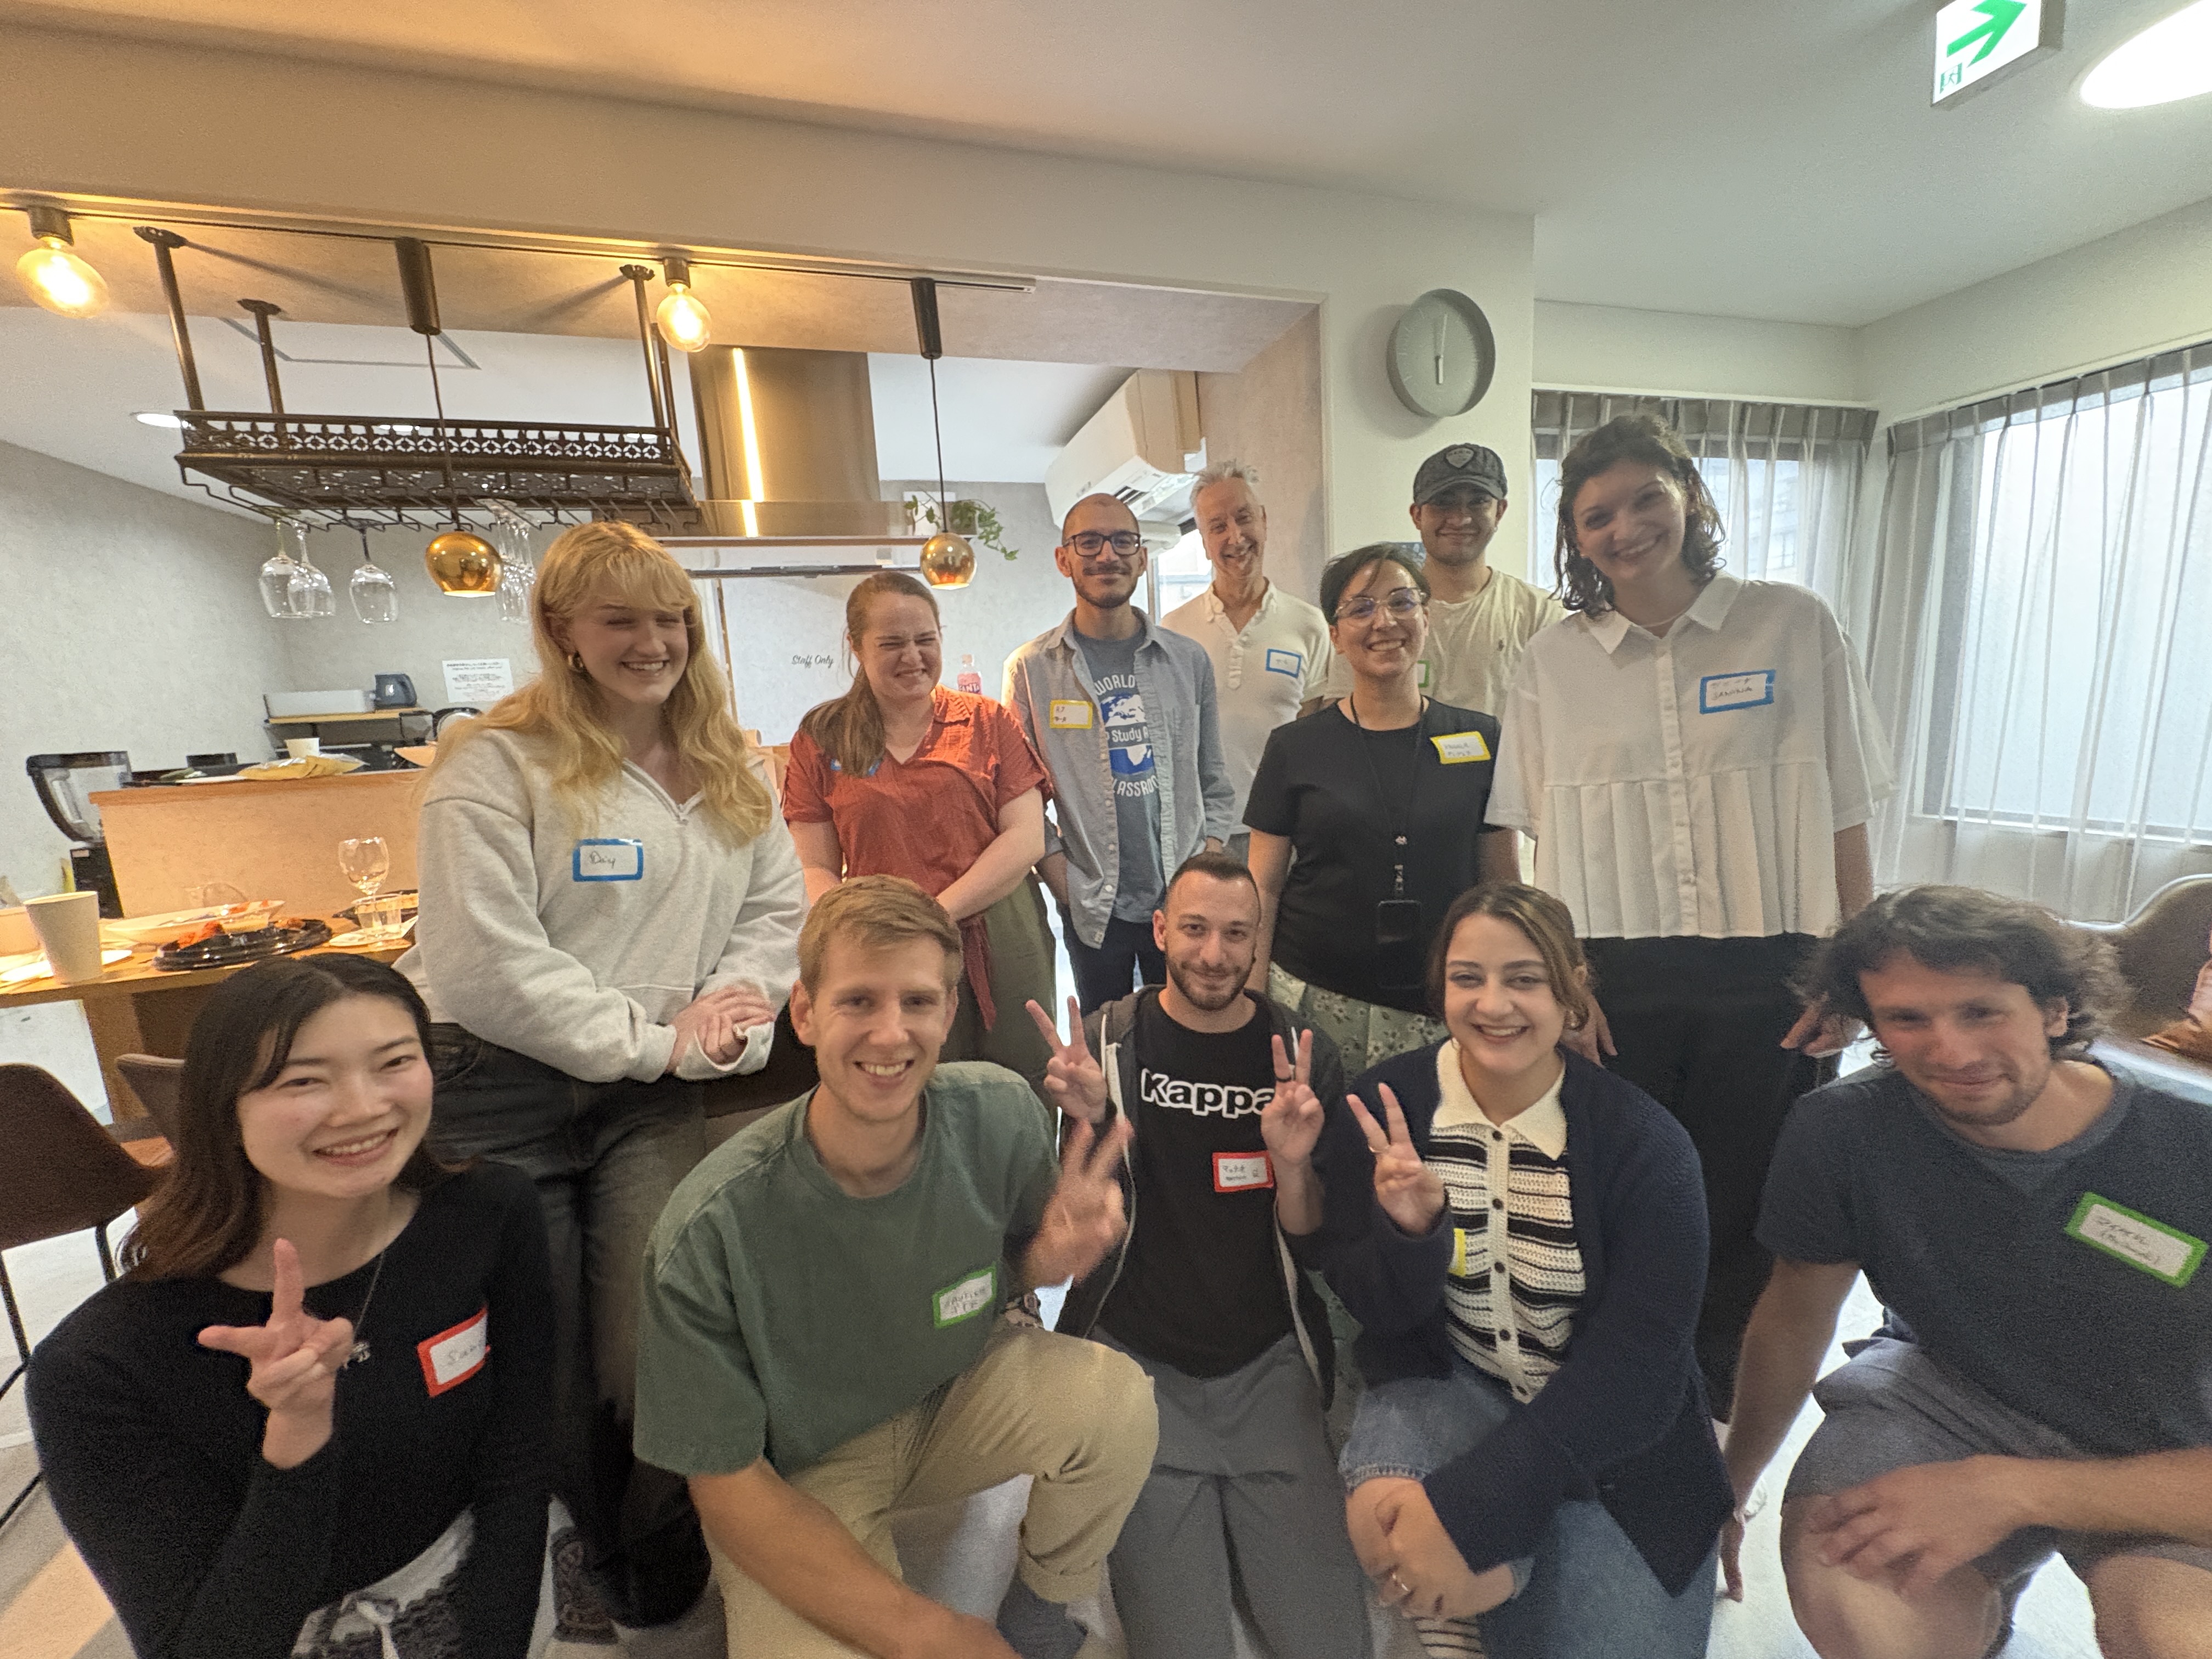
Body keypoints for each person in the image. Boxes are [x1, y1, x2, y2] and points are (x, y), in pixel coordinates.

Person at [401, 519, 805, 1629]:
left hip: (651, 1095)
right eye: (619, 618)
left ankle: (649, 1567)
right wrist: (659, 1040)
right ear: (563, 631)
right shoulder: (494, 761)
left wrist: (731, 1016)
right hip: (498, 1083)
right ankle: (603, 1564)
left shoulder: (732, 765)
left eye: (669, 617)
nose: (652, 641)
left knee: (652, 1338)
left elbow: (774, 916)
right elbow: (482, 962)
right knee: (548, 1359)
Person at [631, 876, 1159, 1659]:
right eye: (858, 1001)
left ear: (949, 1013)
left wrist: (1047, 1258)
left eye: (917, 1001)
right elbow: (728, 1485)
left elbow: (1006, 1271)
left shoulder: (999, 1114)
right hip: (808, 1469)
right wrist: (932, 1630)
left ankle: (1046, 1602)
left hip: (953, 1393)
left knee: (1118, 1403)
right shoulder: (708, 1231)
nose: (890, 1034)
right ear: (804, 1013)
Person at [1486, 410, 1893, 1408]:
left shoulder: (1792, 624)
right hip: (1613, 977)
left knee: (1751, 1206)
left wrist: (1855, 972)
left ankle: (1712, 1419)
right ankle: (1619, 1396)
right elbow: (1513, 838)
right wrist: (1556, 982)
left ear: (1690, 497)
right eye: (1596, 516)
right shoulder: (1553, 662)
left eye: (1645, 500)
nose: (1624, 529)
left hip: (1776, 969)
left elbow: (1844, 807)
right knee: (1619, 1195)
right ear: (1574, 538)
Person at [1723, 885, 2212, 1659]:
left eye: (1982, 1012)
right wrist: (1733, 1484)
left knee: (2175, 1638)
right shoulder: (1843, 1129)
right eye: (1908, 1019)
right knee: (1857, 1592)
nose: (1950, 1052)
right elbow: (1794, 1315)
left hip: (2175, 1435)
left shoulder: (2193, 1144)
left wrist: (2015, 1490)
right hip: (1949, 1395)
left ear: (2055, 1010)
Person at [27, 954, 555, 1659]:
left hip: (485, 1600)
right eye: (304, 1080)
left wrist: (497, 1642)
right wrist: (297, 1439)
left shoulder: (487, 1214)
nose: (362, 1107)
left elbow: (520, 1451)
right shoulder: (99, 1366)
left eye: (395, 1062)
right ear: (222, 1108)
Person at [1305, 884, 1730, 1659]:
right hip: (1450, 1382)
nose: (1493, 1004)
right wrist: (1413, 1234)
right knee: (1394, 1535)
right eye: (1467, 978)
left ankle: (1495, 1585)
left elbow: (1641, 1366)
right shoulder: (1387, 1106)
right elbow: (1377, 1309)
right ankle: (1479, 1598)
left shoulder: (1648, 1147)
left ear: (1572, 992)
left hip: (1614, 1434)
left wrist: (1484, 1505)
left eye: (1524, 979)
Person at [1035, 850, 1372, 1659]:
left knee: (1329, 1644)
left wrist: (1292, 1163)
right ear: (1159, 931)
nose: (1213, 955)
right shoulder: (1107, 1043)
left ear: (1259, 941)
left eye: (1235, 934)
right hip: (1140, 1371)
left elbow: (1313, 1241)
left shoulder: (1302, 1056)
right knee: (1183, 1643)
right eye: (1193, 929)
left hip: (1268, 1366)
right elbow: (1074, 1224)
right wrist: (1086, 1122)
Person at [1246, 543, 1521, 1073]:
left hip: (1445, 1000)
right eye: (1361, 608)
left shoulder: (1480, 739)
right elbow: (1265, 886)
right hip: (1314, 995)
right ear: (1335, 636)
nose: (1385, 622)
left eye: (1402, 602)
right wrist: (1253, 1006)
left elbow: (1501, 880)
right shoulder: (1294, 747)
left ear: (1426, 617)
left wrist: (1512, 987)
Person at [785, 569, 1057, 1096]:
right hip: (884, 941)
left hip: (1001, 927)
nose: (912, 656)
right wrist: (850, 931)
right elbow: (814, 864)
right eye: (892, 643)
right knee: (908, 1079)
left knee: (1021, 1081)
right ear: (856, 647)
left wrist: (935, 914)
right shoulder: (823, 736)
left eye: (925, 640)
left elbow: (1026, 838)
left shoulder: (987, 721)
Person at [1005, 492, 1237, 1013]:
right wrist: (1063, 882)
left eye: (1122, 541)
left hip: (1183, 899)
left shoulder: (1188, 661)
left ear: (1142, 557)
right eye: (1089, 542)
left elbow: (1214, 780)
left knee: (1187, 1030)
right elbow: (1021, 798)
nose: (1107, 555)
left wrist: (1206, 863)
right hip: (1093, 905)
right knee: (1103, 1037)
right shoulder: (1031, 670)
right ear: (1064, 559)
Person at [1160, 460, 1335, 856]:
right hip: (1202, 833)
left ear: (1264, 521)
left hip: (1285, 831)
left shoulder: (1309, 624)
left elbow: (1313, 736)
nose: (1236, 537)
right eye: (1218, 526)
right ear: (1204, 542)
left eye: (1244, 518)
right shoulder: (1174, 629)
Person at [1320, 442, 1563, 718]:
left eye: (1478, 502)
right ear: (1417, 515)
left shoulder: (1539, 614)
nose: (1460, 519)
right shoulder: (1372, 617)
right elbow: (1341, 716)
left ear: (1499, 511)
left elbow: (1558, 717)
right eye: (1443, 503)